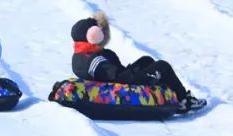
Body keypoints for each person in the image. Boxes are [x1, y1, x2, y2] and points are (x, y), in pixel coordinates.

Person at [70, 12, 207, 113]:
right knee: (162, 66)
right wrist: (133, 73)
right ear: (93, 35)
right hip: (123, 83)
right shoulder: (95, 59)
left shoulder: (83, 54)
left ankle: (166, 94)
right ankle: (184, 100)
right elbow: (115, 77)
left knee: (146, 60)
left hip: (120, 77)